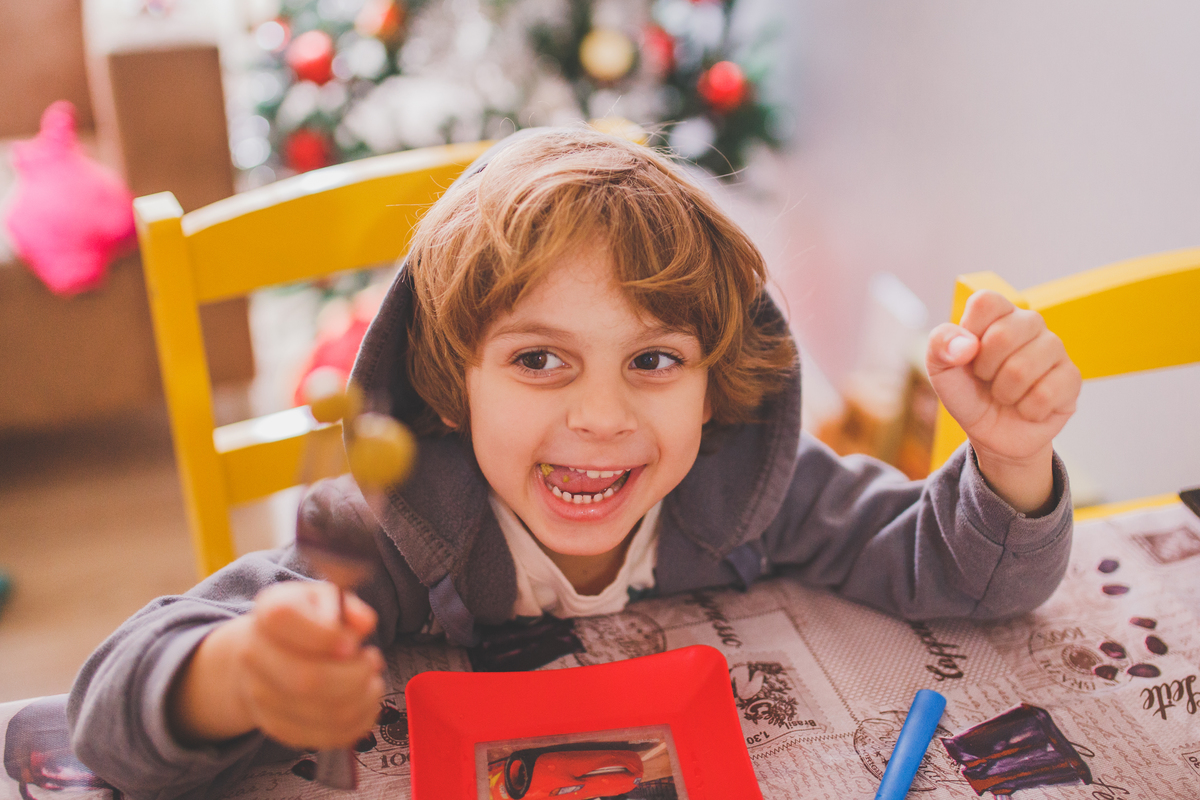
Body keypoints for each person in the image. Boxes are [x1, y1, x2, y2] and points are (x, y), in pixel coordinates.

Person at [67, 128, 1081, 798]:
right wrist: (236, 674)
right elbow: (107, 715)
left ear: (714, 381)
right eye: (539, 359)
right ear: (450, 381)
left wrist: (1011, 454)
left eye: (653, 360)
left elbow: (967, 577)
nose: (601, 416)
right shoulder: (393, 533)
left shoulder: (751, 489)